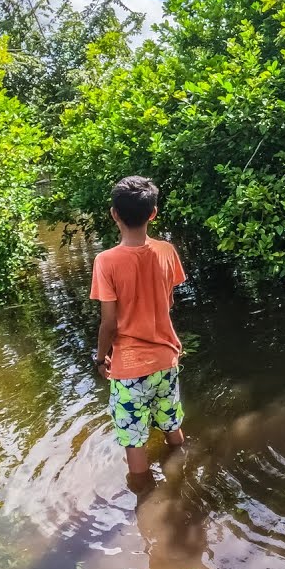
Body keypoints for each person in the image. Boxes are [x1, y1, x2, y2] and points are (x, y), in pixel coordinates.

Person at [91, 175, 188, 476]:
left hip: (129, 368)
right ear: (153, 213)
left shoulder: (106, 261)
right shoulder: (166, 251)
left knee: (134, 442)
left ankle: (144, 501)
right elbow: (167, 303)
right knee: (172, 424)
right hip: (165, 358)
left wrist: (99, 358)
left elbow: (109, 323)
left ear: (114, 214)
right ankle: (184, 475)